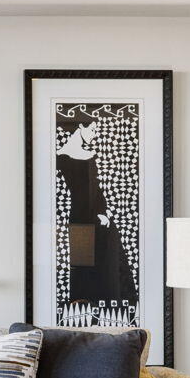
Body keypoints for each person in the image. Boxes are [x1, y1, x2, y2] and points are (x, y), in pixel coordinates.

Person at [54, 109, 135, 320]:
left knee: (108, 262)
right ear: (81, 127)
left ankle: (110, 312)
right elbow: (79, 192)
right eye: (92, 129)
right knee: (82, 267)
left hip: (98, 218)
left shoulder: (88, 154)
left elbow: (96, 190)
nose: (95, 134)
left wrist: (104, 212)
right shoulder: (61, 157)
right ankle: (82, 315)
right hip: (80, 219)